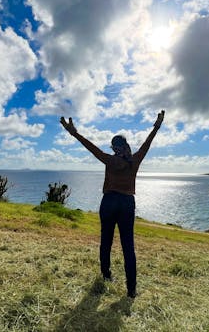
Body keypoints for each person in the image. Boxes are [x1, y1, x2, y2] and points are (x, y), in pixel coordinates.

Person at [60, 110, 165, 298]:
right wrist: (156, 127)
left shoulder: (109, 159)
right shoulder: (135, 160)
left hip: (108, 202)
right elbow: (147, 144)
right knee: (128, 246)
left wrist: (74, 133)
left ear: (113, 147)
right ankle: (131, 289)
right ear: (125, 145)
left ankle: (106, 275)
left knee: (106, 241)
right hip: (126, 203)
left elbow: (91, 148)